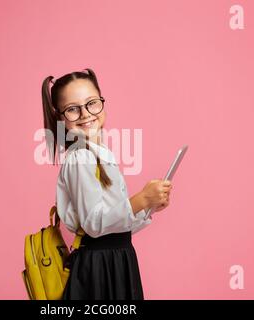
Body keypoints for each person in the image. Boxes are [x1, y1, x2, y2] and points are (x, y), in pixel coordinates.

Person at [41, 68, 172, 299]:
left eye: (91, 103)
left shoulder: (98, 153)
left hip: (114, 258)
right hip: (99, 266)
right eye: (72, 109)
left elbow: (114, 227)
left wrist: (146, 208)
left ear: (102, 102)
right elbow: (94, 224)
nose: (85, 114)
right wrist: (140, 199)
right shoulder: (81, 157)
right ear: (60, 117)